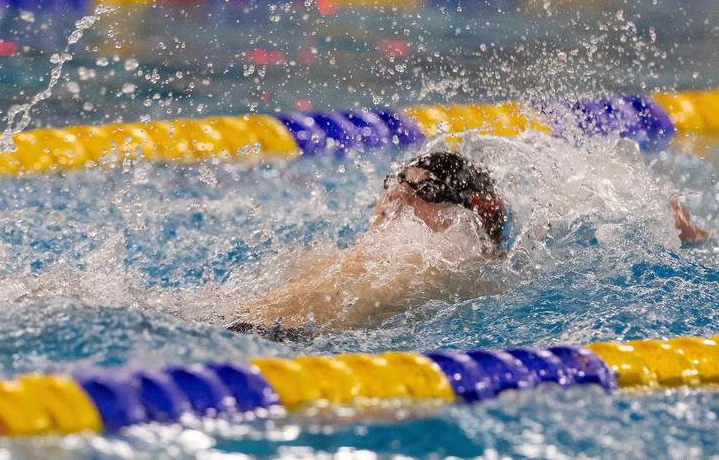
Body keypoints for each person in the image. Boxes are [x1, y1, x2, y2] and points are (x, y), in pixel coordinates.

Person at [227, 150, 708, 341]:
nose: (394, 201)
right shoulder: (463, 270)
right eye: (393, 185)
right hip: (263, 336)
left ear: (474, 211)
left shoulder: (449, 262)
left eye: (421, 193)